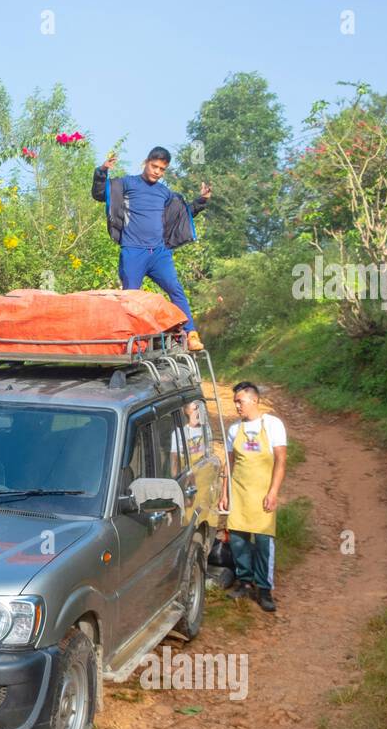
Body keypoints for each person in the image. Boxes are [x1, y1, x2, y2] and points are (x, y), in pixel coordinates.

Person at [91, 147, 210, 351]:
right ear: (146, 162)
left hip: (159, 253)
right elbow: (100, 194)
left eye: (162, 169)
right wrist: (102, 171)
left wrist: (201, 201)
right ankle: (127, 343)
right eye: (154, 166)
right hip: (133, 251)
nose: (157, 171)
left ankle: (191, 334)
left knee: (176, 290)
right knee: (130, 298)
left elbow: (181, 214)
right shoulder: (128, 183)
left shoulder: (164, 193)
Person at [219, 381, 286, 612]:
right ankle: (244, 582)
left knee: (264, 542)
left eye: (241, 401)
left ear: (254, 400)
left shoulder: (272, 425)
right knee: (238, 540)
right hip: (239, 493)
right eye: (235, 402)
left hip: (263, 493)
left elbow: (280, 461)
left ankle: (265, 589)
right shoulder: (234, 430)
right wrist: (224, 492)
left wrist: (273, 491)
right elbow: (229, 463)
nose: (237, 406)